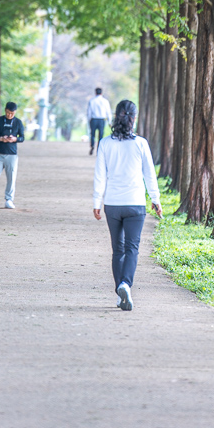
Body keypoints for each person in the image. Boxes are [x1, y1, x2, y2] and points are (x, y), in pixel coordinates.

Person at [93, 99, 162, 311]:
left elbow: (100, 176)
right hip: (135, 204)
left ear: (116, 116)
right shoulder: (141, 143)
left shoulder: (105, 143)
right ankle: (125, 284)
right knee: (132, 248)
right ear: (134, 118)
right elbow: (150, 174)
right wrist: (156, 200)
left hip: (113, 204)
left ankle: (120, 293)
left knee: (117, 250)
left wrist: (97, 201)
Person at [0, 102, 25, 209]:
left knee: (11, 177)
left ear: (15, 112)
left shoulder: (18, 122)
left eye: (12, 113)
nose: (9, 115)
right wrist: (1, 138)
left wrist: (14, 139)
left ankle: (9, 199)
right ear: (5, 110)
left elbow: (22, 137)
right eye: (8, 113)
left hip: (11, 154)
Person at [86, 87, 111, 155]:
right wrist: (110, 121)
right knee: (101, 135)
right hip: (102, 120)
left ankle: (92, 146)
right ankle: (99, 148)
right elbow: (108, 112)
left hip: (93, 119)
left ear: (95, 92)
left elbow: (89, 112)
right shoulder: (105, 101)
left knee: (92, 134)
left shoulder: (92, 101)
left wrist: (89, 120)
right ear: (101, 93)